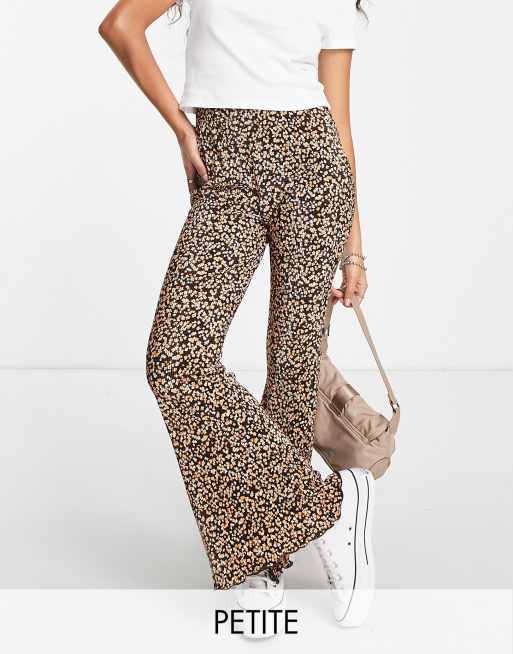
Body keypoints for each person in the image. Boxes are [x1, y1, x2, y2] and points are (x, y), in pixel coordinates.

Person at [99, 0, 374, 633]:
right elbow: (120, 26)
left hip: (314, 168)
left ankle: (265, 559)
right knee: (176, 357)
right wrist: (181, 127)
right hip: (225, 164)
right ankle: (334, 505)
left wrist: (355, 247)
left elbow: (340, 121)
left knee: (293, 372)